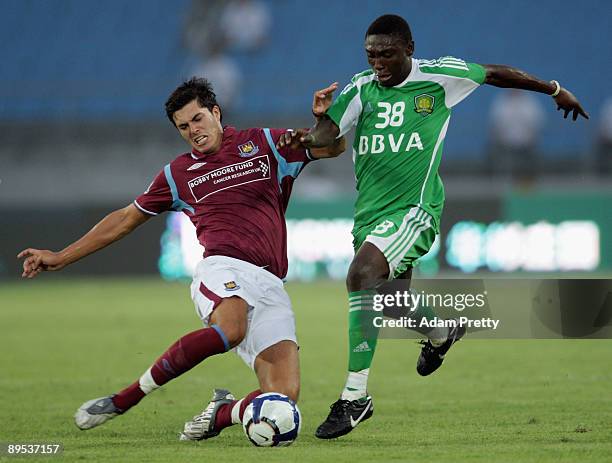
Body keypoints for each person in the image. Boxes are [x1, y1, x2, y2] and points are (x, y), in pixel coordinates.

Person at [282, 14, 589, 439]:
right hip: (370, 213)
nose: (378, 63)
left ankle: (355, 398)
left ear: (409, 48)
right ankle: (443, 334)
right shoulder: (358, 87)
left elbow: (496, 73)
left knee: (361, 276)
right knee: (391, 302)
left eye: (387, 54)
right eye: (371, 55)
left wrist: (555, 90)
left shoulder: (440, 76)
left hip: (415, 208)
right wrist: (308, 133)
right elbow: (329, 134)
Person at [18, 77, 344, 440]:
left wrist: (324, 121)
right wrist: (61, 257)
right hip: (223, 267)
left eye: (198, 119)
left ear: (216, 113)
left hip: (271, 283)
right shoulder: (177, 174)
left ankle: (222, 414)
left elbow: (334, 147)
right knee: (231, 330)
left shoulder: (265, 143)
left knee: (282, 399)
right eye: (184, 126)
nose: (193, 131)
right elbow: (126, 219)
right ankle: (125, 398)